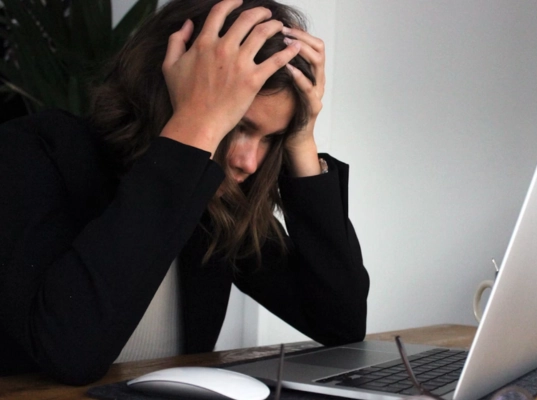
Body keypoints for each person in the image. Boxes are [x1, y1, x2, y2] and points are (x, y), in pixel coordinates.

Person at [0, 0, 369, 385]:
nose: (249, 163)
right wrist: (196, 125)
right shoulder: (31, 154)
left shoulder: (214, 202)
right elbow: (69, 354)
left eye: (271, 138)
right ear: (169, 87)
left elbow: (340, 323)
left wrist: (301, 140)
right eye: (237, 124)